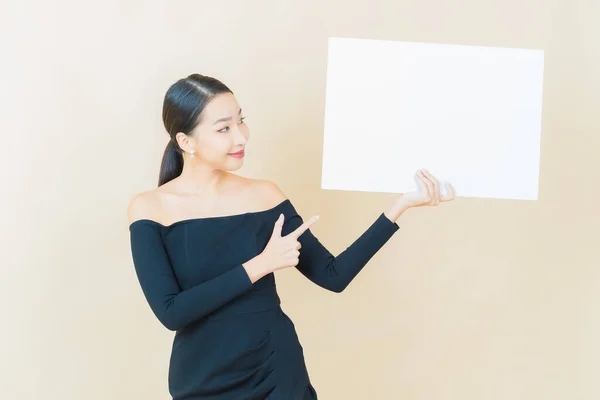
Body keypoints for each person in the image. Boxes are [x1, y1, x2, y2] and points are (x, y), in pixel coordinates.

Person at [127, 73, 455, 400]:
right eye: (224, 128)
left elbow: (333, 276)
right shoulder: (150, 208)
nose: (241, 137)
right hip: (202, 379)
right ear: (186, 142)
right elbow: (172, 312)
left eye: (242, 121)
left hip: (276, 370)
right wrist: (261, 265)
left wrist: (399, 207)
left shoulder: (264, 195)